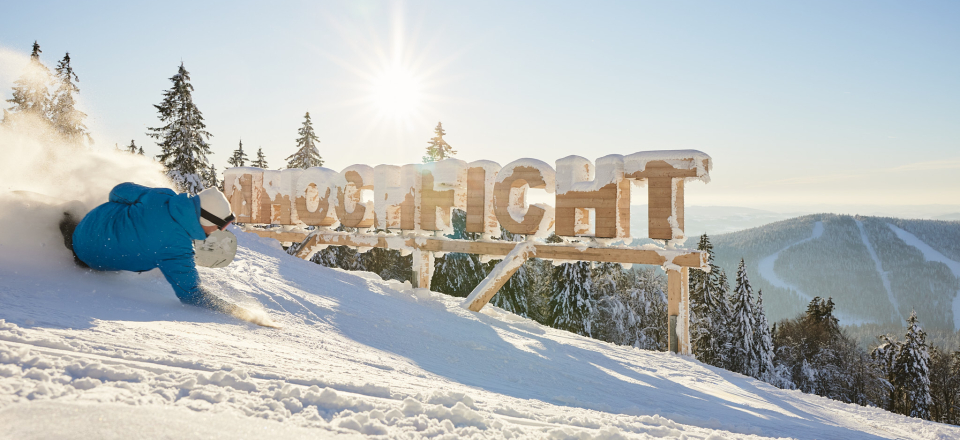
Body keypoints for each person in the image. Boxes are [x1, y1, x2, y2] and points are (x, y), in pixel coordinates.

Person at [59, 182, 238, 313]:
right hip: (87, 257)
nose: (219, 231)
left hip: (89, 223)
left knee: (86, 216)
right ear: (206, 218)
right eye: (221, 226)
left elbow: (117, 191)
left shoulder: (160, 196)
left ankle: (68, 216)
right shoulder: (178, 250)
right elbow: (192, 295)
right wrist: (235, 310)